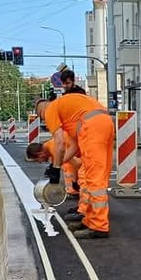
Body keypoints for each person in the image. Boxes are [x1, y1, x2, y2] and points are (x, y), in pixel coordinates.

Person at [35, 93, 113, 239]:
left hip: (91, 127)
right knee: (98, 175)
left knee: (94, 179)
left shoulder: (50, 109)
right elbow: (74, 147)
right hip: (104, 122)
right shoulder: (69, 113)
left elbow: (59, 142)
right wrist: (57, 165)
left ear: (41, 111)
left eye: (42, 117)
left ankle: (99, 226)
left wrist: (55, 169)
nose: (45, 120)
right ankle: (89, 220)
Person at [26, 138, 84, 206]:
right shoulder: (51, 146)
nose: (40, 162)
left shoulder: (55, 149)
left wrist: (75, 181)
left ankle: (85, 209)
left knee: (85, 179)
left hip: (89, 153)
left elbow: (77, 164)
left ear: (40, 154)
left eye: (38, 160)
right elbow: (72, 164)